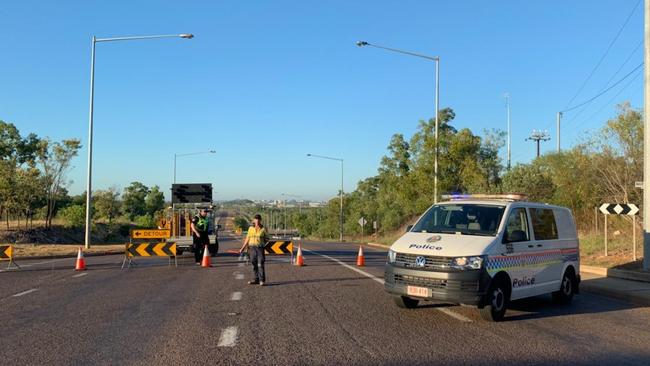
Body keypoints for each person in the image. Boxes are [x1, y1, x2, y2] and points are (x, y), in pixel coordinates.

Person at [239, 214, 268, 286]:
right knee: (253, 263)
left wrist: (264, 244)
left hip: (260, 248)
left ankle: (262, 280)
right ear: (254, 220)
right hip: (252, 248)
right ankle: (256, 279)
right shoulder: (250, 228)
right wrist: (242, 248)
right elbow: (247, 239)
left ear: (260, 220)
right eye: (256, 219)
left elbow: (267, 238)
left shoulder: (263, 229)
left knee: (260, 263)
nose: (257, 221)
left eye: (258, 219)